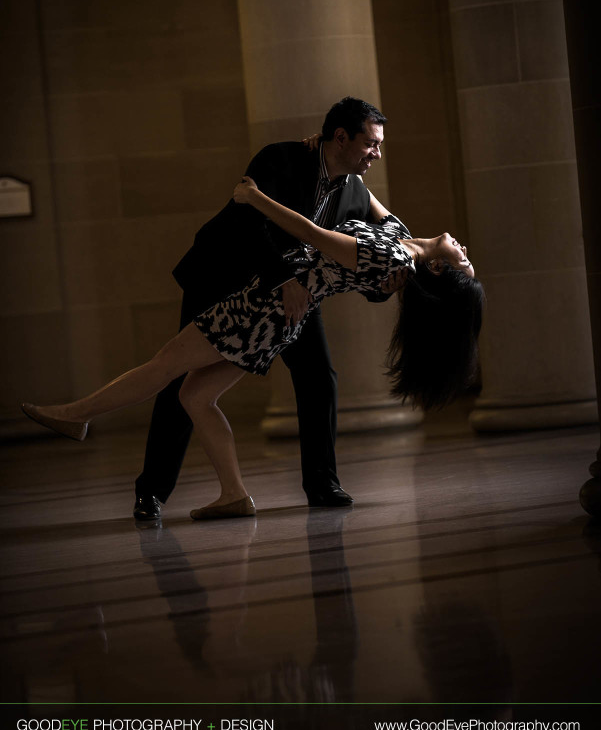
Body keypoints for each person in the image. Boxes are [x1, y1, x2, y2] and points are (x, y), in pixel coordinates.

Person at [22, 177, 483, 521]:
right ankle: (233, 494)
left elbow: (312, 234)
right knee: (194, 396)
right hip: (275, 318)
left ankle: (76, 414)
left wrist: (255, 198)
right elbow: (362, 192)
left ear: (441, 273)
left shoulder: (394, 257)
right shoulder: (402, 242)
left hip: (261, 311)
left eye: (463, 260)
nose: (464, 248)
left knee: (166, 366)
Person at [133, 96, 406, 521]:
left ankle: (322, 484)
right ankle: (151, 492)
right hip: (225, 279)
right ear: (340, 137)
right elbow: (248, 225)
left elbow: (374, 256)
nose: (377, 154)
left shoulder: (355, 192)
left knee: (318, 376)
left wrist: (387, 287)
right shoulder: (280, 157)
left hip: (293, 295)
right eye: (371, 143)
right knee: (177, 377)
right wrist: (284, 280)